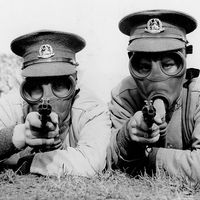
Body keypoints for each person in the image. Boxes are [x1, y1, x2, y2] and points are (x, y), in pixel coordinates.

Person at [0, 30, 111, 177]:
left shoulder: (91, 109)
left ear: (74, 82)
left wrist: (27, 162)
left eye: (59, 85)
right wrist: (18, 135)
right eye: (35, 88)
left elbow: (91, 162)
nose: (47, 99)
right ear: (25, 89)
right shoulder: (13, 104)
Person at [107, 9, 200, 182]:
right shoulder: (123, 95)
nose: (157, 76)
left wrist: (148, 157)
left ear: (185, 58)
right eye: (143, 67)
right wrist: (127, 135)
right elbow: (106, 158)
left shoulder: (197, 96)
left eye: (169, 64)